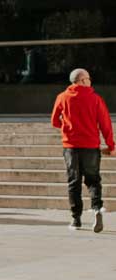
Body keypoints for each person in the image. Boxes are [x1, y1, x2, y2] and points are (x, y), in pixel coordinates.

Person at [51, 67, 113, 232]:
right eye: (88, 78)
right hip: (91, 147)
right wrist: (111, 146)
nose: (90, 81)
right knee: (93, 180)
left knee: (74, 182)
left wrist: (66, 124)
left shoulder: (62, 97)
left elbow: (54, 121)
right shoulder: (95, 99)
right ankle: (97, 209)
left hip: (70, 147)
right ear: (82, 81)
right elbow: (105, 124)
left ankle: (76, 219)